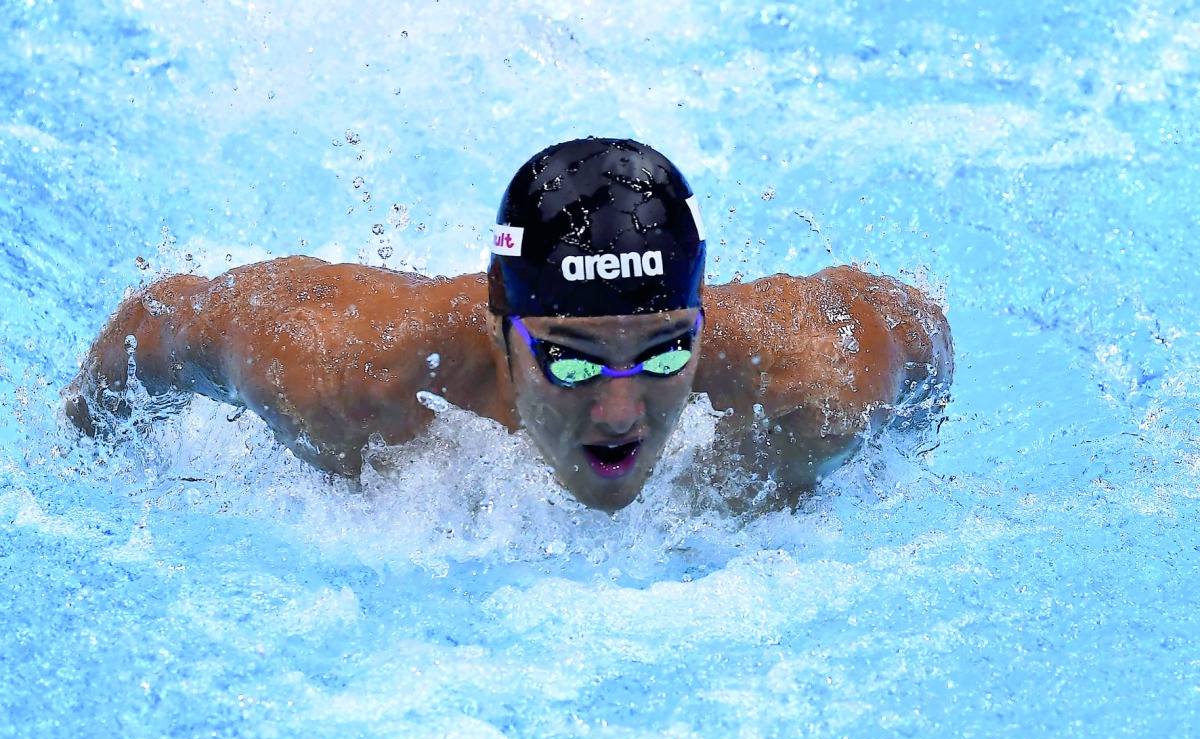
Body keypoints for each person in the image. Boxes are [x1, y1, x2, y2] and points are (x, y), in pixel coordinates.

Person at [64, 138, 953, 511]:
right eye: (570, 363)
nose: (618, 413)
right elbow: (161, 323)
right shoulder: (343, 378)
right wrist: (82, 464)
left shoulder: (817, 386)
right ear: (501, 329)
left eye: (664, 352)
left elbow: (922, 331)